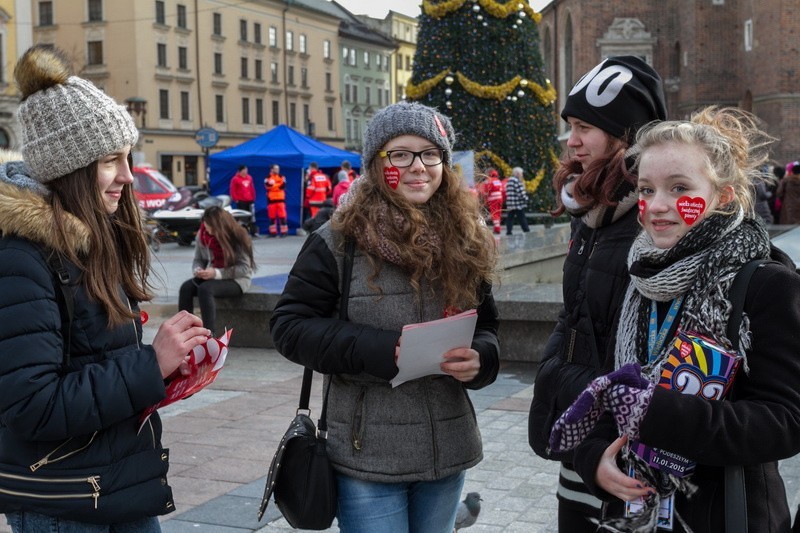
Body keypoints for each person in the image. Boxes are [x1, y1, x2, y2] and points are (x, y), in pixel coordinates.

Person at [549, 106, 800, 532]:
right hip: (637, 513)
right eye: (646, 190)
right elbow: (615, 390)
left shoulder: (765, 283)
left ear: (722, 196)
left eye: (679, 187)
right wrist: (594, 461)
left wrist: (658, 414)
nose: (657, 206)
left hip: (721, 513)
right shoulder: (640, 276)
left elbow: (786, 422)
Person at [0, 45, 211, 532]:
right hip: (62, 500)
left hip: (114, 484)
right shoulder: (20, 259)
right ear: (69, 169)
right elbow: (32, 406)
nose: (127, 175)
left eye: (127, 156)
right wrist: (149, 363)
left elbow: (91, 363)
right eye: (111, 160)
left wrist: (169, 369)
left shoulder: (91, 242)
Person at [270, 101, 500, 533]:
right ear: (377, 164)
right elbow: (288, 328)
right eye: (400, 154)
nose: (418, 167)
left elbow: (486, 326)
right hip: (365, 455)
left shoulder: (468, 239)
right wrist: (381, 349)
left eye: (430, 154)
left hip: (447, 448)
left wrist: (482, 359)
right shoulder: (337, 241)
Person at [528, 55, 667, 531]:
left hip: (621, 450)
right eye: (570, 125)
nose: (572, 141)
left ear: (626, 134)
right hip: (584, 435)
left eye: (585, 125)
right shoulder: (594, 211)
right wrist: (553, 375)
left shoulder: (654, 221)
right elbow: (576, 318)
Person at [178, 206, 256, 336]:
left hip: (237, 279)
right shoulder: (202, 235)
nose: (207, 229)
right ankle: (185, 332)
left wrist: (216, 273)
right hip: (212, 274)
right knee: (186, 288)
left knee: (205, 289)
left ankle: (209, 335)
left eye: (210, 226)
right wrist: (198, 270)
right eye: (206, 225)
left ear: (219, 226)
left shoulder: (238, 235)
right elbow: (199, 259)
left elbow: (244, 268)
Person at [229, 164, 257, 236]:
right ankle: (244, 232)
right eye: (245, 170)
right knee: (242, 217)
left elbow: (251, 188)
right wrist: (236, 199)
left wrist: (253, 197)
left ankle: (253, 232)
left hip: (250, 200)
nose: (246, 171)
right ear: (241, 171)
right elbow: (233, 190)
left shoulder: (249, 178)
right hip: (241, 200)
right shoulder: (235, 179)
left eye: (246, 170)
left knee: (252, 216)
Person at [504, 166, 530, 235]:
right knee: (522, 218)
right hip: (517, 204)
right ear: (517, 173)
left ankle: (509, 231)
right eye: (521, 173)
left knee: (510, 218)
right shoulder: (516, 181)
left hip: (510, 203)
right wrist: (526, 199)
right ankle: (526, 230)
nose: (522, 175)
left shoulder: (509, 180)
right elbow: (521, 193)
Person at [265, 164, 288, 237]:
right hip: (271, 201)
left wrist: (274, 186)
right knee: (272, 217)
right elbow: (268, 186)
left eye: (278, 169)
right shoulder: (267, 178)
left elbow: (283, 186)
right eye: (276, 169)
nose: (277, 170)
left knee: (282, 217)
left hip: (281, 200)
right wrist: (277, 185)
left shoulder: (282, 177)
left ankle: (284, 232)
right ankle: (273, 233)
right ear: (272, 169)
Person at [480, 168, 505, 234]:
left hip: (493, 200)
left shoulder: (488, 181)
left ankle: (497, 229)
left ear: (488, 173)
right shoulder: (498, 180)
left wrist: (485, 200)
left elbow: (485, 192)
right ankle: (497, 227)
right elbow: (502, 191)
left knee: (494, 214)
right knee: (498, 214)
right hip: (500, 199)